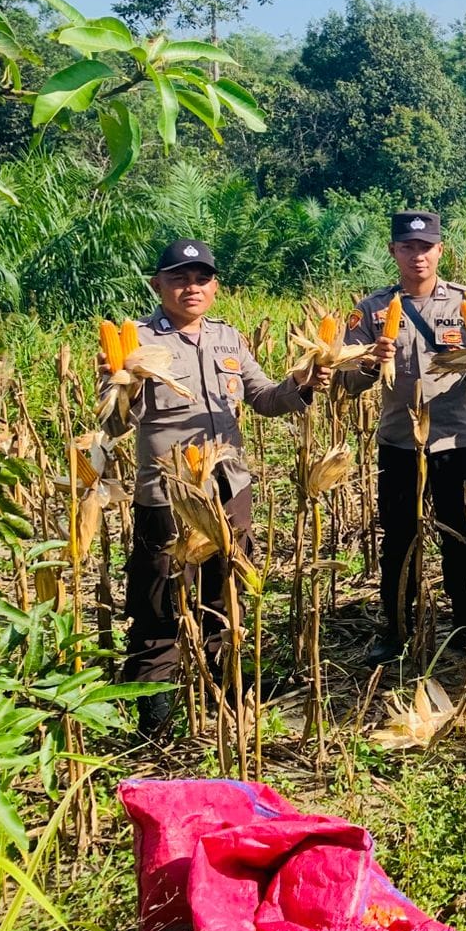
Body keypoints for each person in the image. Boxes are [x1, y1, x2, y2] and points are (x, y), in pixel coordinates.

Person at [103, 238, 329, 738]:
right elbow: (115, 425)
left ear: (215, 286)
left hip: (229, 490)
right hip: (168, 494)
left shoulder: (229, 340)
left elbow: (266, 398)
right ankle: (154, 721)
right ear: (158, 284)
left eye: (202, 278)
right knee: (159, 602)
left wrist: (307, 383)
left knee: (226, 594)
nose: (191, 287)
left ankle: (227, 696)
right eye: (180, 278)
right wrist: (123, 388)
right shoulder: (133, 340)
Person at [344, 211, 466, 664]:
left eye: (426, 247)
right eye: (408, 247)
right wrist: (369, 361)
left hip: (455, 440)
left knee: (462, 536)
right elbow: (348, 382)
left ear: (440, 250)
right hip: (398, 441)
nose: (418, 256)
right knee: (398, 539)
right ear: (394, 251)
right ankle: (396, 629)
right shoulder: (371, 310)